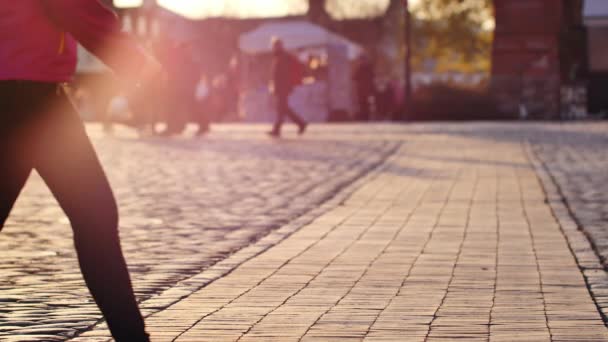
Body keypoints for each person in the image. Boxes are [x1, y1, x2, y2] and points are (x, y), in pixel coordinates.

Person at [0, 1, 162, 341]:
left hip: (25, 92)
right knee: (95, 217)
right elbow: (77, 9)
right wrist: (138, 63)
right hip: (32, 97)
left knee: (94, 217)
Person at [268, 38, 307, 137]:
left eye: (275, 46)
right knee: (283, 108)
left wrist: (281, 86)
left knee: (281, 108)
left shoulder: (282, 57)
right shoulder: (279, 57)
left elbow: (282, 75)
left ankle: (278, 129)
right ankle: (300, 123)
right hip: (282, 87)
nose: (274, 48)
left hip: (283, 87)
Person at [354, 54, 375, 121]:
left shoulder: (369, 69)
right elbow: (354, 77)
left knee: (366, 105)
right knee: (362, 105)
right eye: (361, 60)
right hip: (361, 91)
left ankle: (366, 118)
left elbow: (372, 79)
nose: (362, 62)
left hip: (367, 91)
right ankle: (364, 118)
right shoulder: (359, 69)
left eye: (362, 60)